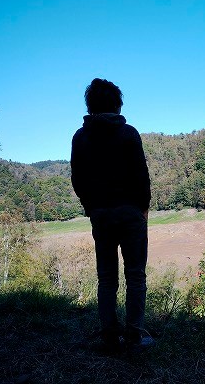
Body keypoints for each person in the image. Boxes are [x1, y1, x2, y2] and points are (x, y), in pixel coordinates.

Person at [71, 78, 153, 351]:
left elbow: (78, 180)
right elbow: (141, 176)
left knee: (106, 278)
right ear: (117, 104)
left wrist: (90, 207)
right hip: (130, 214)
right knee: (135, 276)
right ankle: (134, 335)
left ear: (90, 105)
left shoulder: (80, 137)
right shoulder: (129, 134)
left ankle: (109, 335)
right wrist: (143, 208)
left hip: (101, 216)